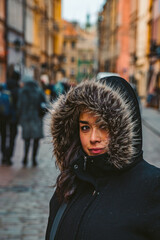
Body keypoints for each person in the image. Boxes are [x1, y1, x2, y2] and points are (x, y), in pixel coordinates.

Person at [45, 76, 160, 240]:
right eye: (85, 127)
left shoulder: (153, 186)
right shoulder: (69, 185)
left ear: (125, 129)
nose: (93, 138)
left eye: (103, 126)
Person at [17, 75, 46, 167]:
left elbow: (19, 106)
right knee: (36, 140)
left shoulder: (22, 92)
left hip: (26, 119)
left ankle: (25, 157)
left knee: (27, 139)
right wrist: (41, 115)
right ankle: (34, 159)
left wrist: (20, 118)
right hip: (37, 119)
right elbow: (45, 106)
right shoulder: (39, 91)